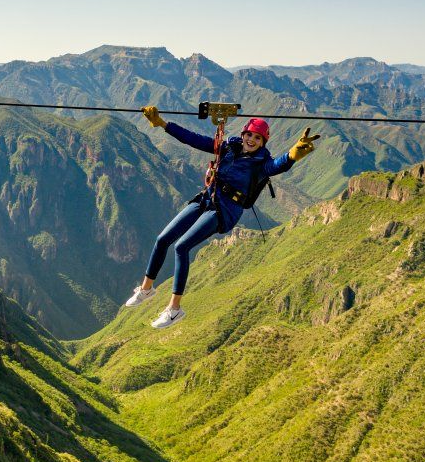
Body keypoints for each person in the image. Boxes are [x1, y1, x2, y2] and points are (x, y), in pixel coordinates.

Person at [127, 106, 319, 329]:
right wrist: (162, 124)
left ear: (263, 142)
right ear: (243, 134)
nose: (251, 140)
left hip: (226, 209)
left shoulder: (261, 164)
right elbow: (194, 140)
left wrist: (294, 154)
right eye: (249, 134)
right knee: (162, 239)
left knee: (181, 247)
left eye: (258, 138)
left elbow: (278, 165)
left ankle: (174, 310)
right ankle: (146, 289)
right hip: (208, 197)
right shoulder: (228, 148)